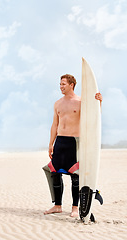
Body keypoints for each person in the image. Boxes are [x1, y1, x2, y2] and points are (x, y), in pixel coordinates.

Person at [44, 74, 102, 217]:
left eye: (63, 84)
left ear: (71, 85)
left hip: (74, 142)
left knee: (75, 176)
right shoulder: (57, 103)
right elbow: (54, 125)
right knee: (54, 173)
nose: (61, 86)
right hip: (60, 142)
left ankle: (75, 208)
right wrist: (51, 143)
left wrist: (99, 102)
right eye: (60, 84)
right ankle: (57, 206)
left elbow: (94, 115)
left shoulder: (81, 102)